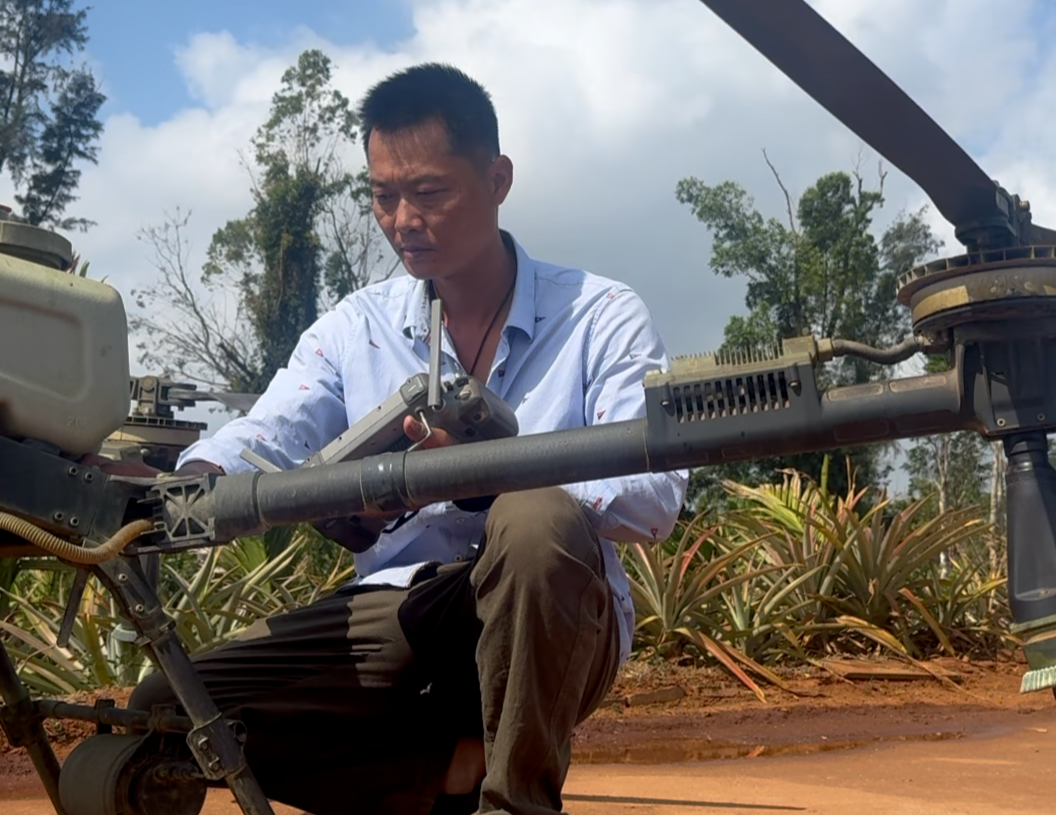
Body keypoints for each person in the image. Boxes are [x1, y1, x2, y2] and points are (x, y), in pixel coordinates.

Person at [130, 63, 687, 815]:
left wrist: (485, 480)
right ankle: (445, 773)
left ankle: (514, 803)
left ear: (498, 179)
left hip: (556, 620)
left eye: (428, 193)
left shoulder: (601, 314)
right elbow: (266, 430)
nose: (402, 220)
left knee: (532, 519)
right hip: (405, 606)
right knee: (169, 712)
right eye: (382, 196)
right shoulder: (356, 326)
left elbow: (654, 500)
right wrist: (190, 477)